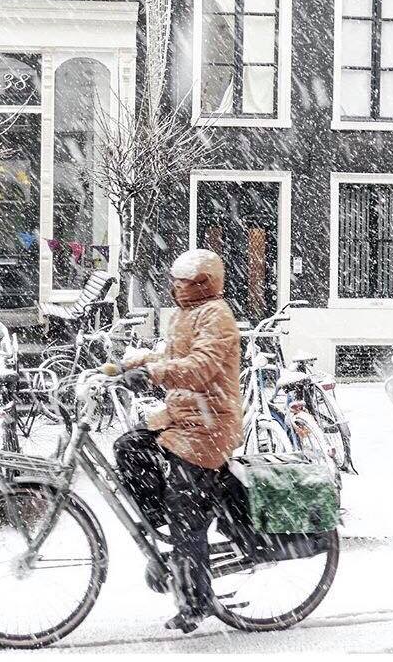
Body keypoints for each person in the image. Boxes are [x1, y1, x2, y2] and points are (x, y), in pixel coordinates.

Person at [111, 248, 243, 634]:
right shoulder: (186, 314)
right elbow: (167, 353)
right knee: (129, 448)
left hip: (208, 426)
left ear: (203, 283)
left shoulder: (217, 316)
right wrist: (122, 366)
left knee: (185, 507)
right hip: (182, 418)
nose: (176, 286)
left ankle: (196, 601)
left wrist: (153, 375)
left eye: (183, 281)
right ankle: (164, 534)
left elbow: (200, 366)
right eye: (176, 280)